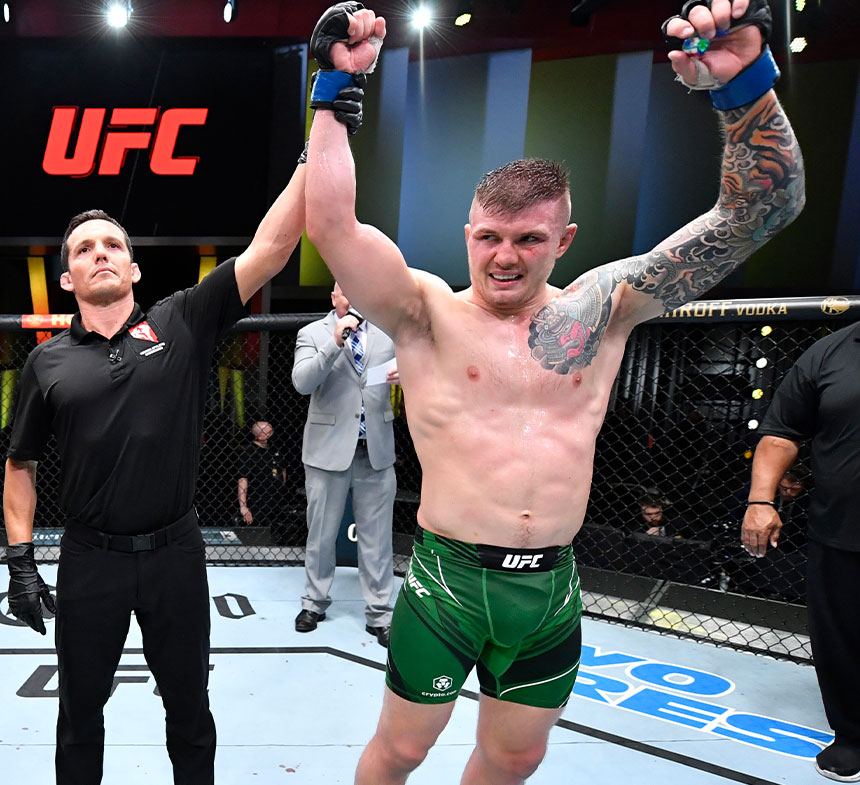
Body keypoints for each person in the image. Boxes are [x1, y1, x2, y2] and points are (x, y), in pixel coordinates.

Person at [302, 1, 805, 782]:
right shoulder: (425, 312)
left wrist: (744, 91)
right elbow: (332, 225)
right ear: (468, 229)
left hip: (550, 585)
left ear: (563, 239)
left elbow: (761, 209)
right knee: (400, 749)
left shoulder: (603, 308)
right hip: (447, 580)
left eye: (529, 238)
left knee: (515, 757)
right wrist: (333, 89)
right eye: (489, 236)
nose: (504, 256)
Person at [2, 154, 310, 784]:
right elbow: (20, 463)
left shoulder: (182, 320)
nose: (100, 253)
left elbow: (274, 245)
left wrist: (318, 141)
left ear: (134, 267)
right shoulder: (49, 362)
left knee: (189, 710)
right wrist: (20, 561)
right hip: (91, 559)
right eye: (84, 249)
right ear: (67, 277)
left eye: (113, 244)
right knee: (79, 713)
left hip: (175, 552)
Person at [743, 320, 860, 781]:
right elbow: (781, 430)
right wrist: (759, 501)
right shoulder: (833, 351)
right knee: (842, 635)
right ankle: (852, 734)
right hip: (843, 526)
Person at [292, 282, 399, 645]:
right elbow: (302, 382)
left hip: (377, 450)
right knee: (321, 535)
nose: (352, 296)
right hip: (327, 452)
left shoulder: (389, 334)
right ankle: (314, 602)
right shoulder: (313, 333)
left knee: (378, 538)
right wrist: (334, 343)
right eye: (344, 290)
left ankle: (380, 614)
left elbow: (422, 375)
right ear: (333, 297)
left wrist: (412, 374)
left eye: (358, 288)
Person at [236, 420, 293, 537]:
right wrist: (243, 506)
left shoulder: (275, 450)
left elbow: (283, 470)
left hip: (277, 503)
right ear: (260, 435)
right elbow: (243, 479)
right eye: (269, 432)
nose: (272, 434)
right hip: (258, 504)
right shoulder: (249, 454)